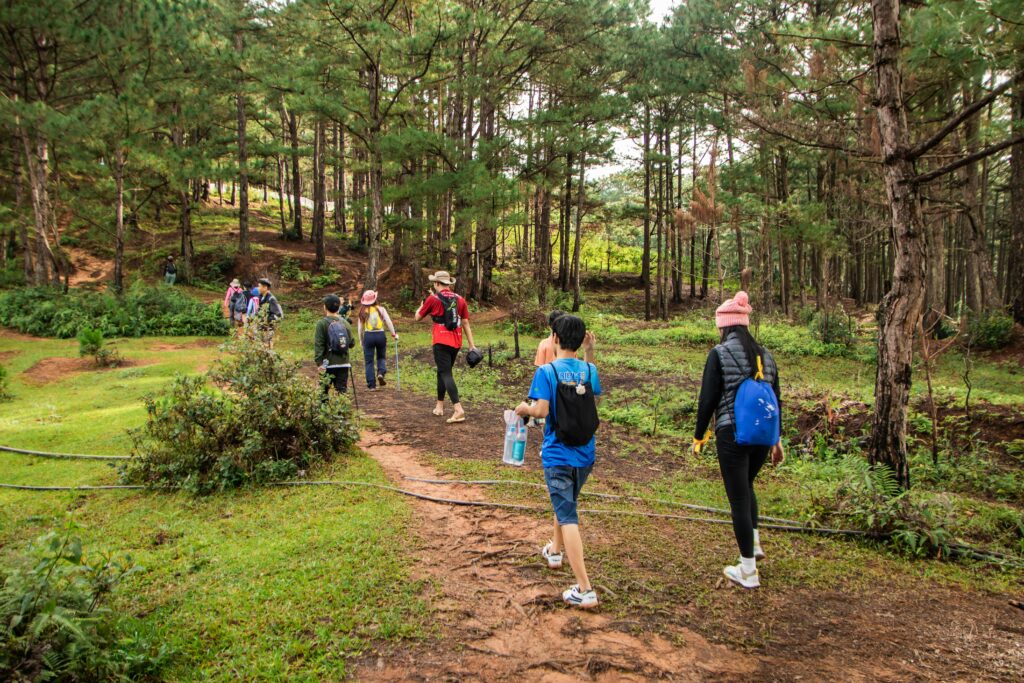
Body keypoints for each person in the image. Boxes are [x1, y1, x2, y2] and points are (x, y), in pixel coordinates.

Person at [691, 291, 784, 590]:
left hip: (733, 432)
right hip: (763, 434)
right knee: (747, 487)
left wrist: (699, 436)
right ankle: (753, 542)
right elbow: (776, 400)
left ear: (725, 326)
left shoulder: (719, 354)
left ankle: (748, 570)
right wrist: (776, 440)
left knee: (739, 498)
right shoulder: (766, 355)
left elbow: (708, 399)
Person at [516, 314, 602, 609]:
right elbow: (594, 400)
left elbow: (540, 411)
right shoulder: (589, 370)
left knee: (568, 515)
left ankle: (585, 588)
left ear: (554, 338)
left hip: (557, 454)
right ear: (581, 341)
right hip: (585, 455)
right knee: (565, 502)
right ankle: (555, 551)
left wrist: (522, 407)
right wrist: (589, 352)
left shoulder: (548, 373)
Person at [414, 270, 477, 423]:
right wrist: (472, 345)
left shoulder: (432, 299)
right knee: (442, 372)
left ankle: (458, 409)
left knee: (446, 373)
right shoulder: (460, 299)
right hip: (456, 341)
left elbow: (417, 318)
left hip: (440, 340)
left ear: (436, 283)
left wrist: (420, 306)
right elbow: (466, 323)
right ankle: (439, 406)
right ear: (448, 284)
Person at [357, 290, 398, 391]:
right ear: (375, 299)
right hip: (380, 335)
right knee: (381, 357)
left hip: (368, 336)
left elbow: (360, 328)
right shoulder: (381, 309)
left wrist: (361, 340)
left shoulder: (362, 311)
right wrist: (394, 334)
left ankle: (372, 385)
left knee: (369, 361)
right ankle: (381, 373)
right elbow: (388, 321)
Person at [314, 294, 355, 396]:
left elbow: (319, 344)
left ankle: (324, 412)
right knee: (342, 392)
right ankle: (342, 412)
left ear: (325, 307)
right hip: (344, 363)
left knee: (323, 393)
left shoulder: (322, 323)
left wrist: (319, 363)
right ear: (338, 307)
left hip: (328, 364)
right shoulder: (345, 323)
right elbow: (351, 343)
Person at [255, 278, 284, 346]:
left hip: (268, 327)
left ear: (265, 287)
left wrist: (267, 321)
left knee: (267, 344)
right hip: (261, 326)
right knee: (261, 344)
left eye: (259, 286)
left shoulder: (271, 299)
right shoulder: (260, 297)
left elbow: (277, 314)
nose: (258, 288)